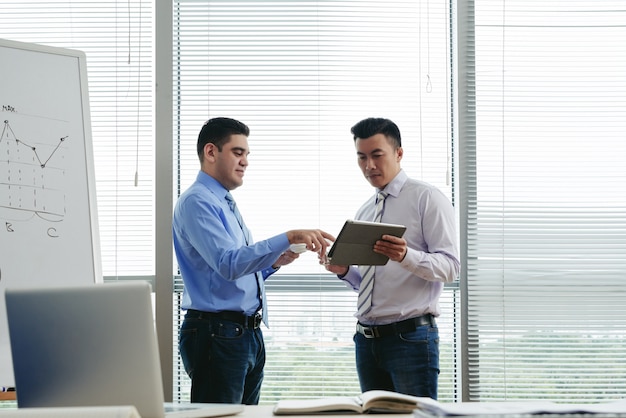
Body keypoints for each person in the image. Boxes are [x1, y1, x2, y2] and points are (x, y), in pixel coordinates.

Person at [173, 117, 334, 405]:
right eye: (237, 152)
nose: (245, 161)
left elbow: (231, 271)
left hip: (243, 334)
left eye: (247, 154)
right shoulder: (198, 201)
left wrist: (273, 262)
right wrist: (288, 236)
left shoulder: (223, 202)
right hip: (218, 334)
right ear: (211, 152)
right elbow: (228, 263)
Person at [323, 117, 460, 399]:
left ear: (398, 153)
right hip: (366, 340)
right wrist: (344, 270)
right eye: (361, 157)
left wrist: (406, 255)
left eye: (376, 155)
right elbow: (371, 283)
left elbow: (450, 268)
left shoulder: (427, 198)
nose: (368, 166)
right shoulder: (365, 211)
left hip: (410, 339)